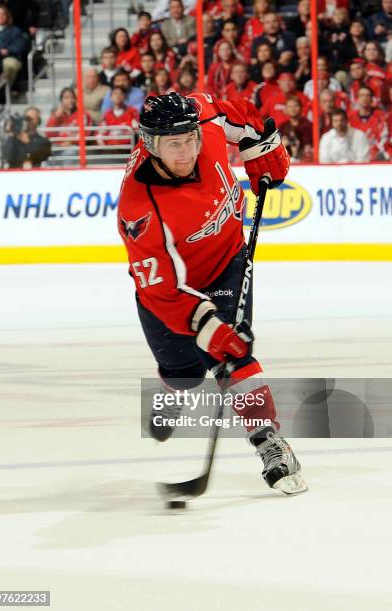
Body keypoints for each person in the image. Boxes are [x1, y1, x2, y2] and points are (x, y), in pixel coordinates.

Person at [117, 91, 307, 495]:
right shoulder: (138, 208)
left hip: (225, 262)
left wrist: (262, 145)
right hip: (171, 293)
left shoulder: (203, 118)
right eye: (173, 144)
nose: (185, 151)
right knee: (185, 373)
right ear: (151, 145)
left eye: (189, 139)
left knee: (232, 357)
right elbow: (163, 292)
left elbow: (239, 112)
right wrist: (207, 327)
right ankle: (174, 391)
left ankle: (269, 441)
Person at [0, 4, 29, 86]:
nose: (1, 16)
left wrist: (8, 50)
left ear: (7, 16)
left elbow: (20, 45)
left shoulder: (15, 30)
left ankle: (4, 90)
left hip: (9, 57)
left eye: (3, 14)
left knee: (9, 64)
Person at [348, 85, 388, 160]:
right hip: (356, 156)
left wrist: (375, 152)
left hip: (375, 156)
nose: (365, 98)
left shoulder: (381, 117)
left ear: (372, 99)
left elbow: (384, 139)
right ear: (358, 99)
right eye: (362, 95)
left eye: (368, 96)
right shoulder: (350, 118)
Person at [98, 86, 139, 151]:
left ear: (125, 96)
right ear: (111, 97)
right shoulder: (106, 114)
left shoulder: (132, 112)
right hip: (109, 149)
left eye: (121, 93)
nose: (118, 96)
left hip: (127, 149)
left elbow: (136, 131)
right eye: (115, 93)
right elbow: (101, 133)